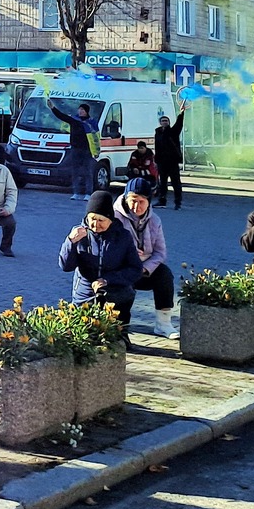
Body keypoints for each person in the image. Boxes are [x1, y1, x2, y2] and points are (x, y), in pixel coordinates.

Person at [58, 191, 141, 324]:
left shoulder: (123, 236)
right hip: (85, 294)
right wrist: (70, 242)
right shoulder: (79, 234)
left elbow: (135, 269)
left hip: (114, 292)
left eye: (101, 220)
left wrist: (108, 280)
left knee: (115, 335)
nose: (96, 224)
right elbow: (65, 266)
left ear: (110, 219)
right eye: (92, 219)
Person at [115, 176, 176, 337]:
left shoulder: (155, 220)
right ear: (125, 198)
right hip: (121, 267)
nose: (137, 206)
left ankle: (163, 324)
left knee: (165, 275)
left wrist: (144, 268)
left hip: (143, 268)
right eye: (133, 200)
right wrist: (131, 257)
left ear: (149, 201)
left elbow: (160, 252)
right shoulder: (114, 218)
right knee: (125, 285)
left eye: (142, 201)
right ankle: (121, 327)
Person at [49, 100, 99, 200]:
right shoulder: (74, 120)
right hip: (75, 149)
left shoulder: (92, 122)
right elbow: (62, 116)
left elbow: (96, 137)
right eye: (79, 109)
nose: (80, 111)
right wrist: (52, 108)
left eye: (82, 110)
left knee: (87, 172)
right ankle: (76, 192)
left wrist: (96, 151)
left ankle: (88, 193)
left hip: (87, 150)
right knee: (75, 171)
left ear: (87, 112)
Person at [152, 101, 186, 209]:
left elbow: (179, 123)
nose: (165, 122)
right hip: (162, 162)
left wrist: (181, 113)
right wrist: (156, 161)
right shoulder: (158, 133)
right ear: (160, 122)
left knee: (176, 183)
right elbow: (157, 147)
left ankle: (178, 203)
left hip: (172, 161)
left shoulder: (173, 131)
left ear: (168, 122)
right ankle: (162, 201)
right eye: (163, 121)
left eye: (166, 121)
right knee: (163, 183)